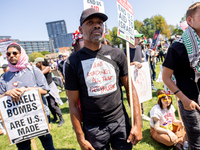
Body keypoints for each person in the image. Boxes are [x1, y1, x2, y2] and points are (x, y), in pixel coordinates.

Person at [65, 8, 142, 150]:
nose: (97, 25)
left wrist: (138, 123)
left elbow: (131, 90)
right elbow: (73, 104)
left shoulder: (117, 54)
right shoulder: (72, 63)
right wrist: (80, 137)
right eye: (90, 22)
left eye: (100, 22)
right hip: (93, 128)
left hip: (120, 122)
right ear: (81, 30)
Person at [0, 43, 55, 150]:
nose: (11, 55)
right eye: (8, 53)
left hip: (38, 114)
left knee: (46, 142)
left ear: (21, 54)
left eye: (15, 53)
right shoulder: (4, 77)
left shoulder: (34, 71)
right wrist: (7, 93)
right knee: (23, 147)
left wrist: (26, 89)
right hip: (16, 119)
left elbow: (44, 90)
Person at [162, 2, 200, 149]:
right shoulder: (177, 47)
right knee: (196, 144)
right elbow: (166, 78)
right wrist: (184, 100)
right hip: (190, 102)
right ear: (190, 20)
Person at [34, 57, 65, 127]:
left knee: (53, 104)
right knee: (49, 105)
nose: (35, 65)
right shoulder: (37, 70)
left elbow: (41, 74)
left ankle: (61, 118)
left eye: (36, 63)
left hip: (51, 88)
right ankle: (55, 117)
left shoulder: (47, 68)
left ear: (40, 63)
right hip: (44, 89)